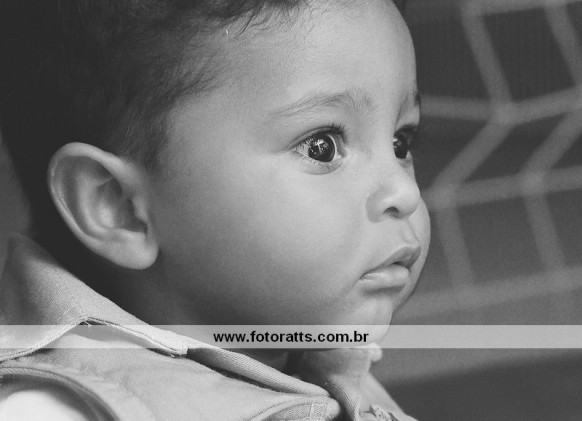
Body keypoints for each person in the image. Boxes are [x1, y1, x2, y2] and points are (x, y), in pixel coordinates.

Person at [0, 0, 430, 419]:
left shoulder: (325, 368)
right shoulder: (55, 410)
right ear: (120, 208)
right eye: (322, 146)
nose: (404, 192)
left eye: (400, 143)